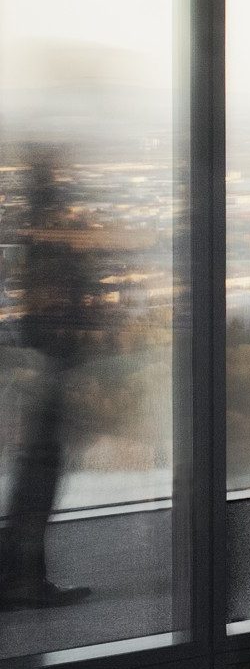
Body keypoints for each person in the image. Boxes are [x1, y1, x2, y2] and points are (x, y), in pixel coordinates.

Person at [0, 147, 103, 608]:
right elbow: (50, 300)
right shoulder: (47, 226)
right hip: (48, 362)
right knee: (39, 477)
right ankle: (26, 583)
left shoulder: (33, 222)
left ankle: (21, 581)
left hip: (42, 361)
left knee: (34, 477)